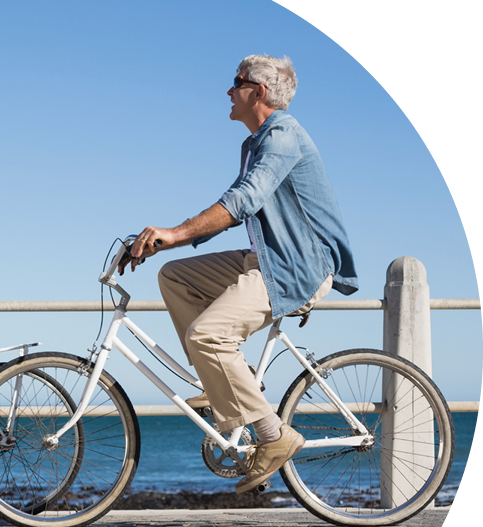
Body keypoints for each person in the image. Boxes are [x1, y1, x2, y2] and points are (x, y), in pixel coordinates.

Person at [122, 55, 358, 495]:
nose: (228, 91)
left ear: (259, 92)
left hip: (297, 265)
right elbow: (236, 207)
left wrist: (174, 232)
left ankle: (274, 435)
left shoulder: (283, 135)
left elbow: (243, 201)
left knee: (207, 335)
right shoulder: (254, 143)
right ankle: (226, 382)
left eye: (236, 82)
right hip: (266, 258)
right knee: (175, 277)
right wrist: (163, 245)